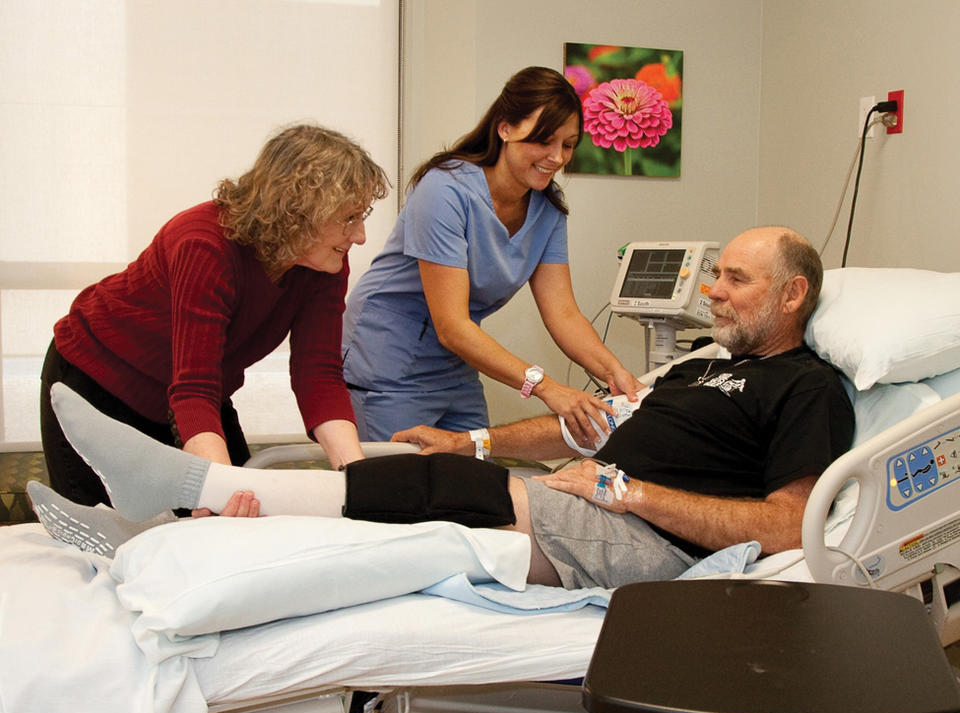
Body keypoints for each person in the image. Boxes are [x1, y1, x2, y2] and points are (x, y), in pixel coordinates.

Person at [30, 226, 855, 591]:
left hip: (645, 542)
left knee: (444, 502)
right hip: (583, 502)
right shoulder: (688, 373)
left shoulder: (807, 388)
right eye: (714, 273)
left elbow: (788, 526)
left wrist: (626, 493)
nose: (711, 289)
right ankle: (157, 535)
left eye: (734, 279)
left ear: (792, 294)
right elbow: (587, 424)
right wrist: (475, 440)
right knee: (432, 474)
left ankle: (176, 512)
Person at [40, 124, 390, 508]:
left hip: (196, 394)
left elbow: (318, 375)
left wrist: (360, 484)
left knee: (247, 513)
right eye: (348, 218)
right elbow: (193, 387)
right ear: (298, 213)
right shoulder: (203, 243)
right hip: (99, 382)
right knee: (117, 543)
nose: (360, 236)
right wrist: (218, 495)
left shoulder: (323, 262)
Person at [340, 66, 638, 445]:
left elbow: (563, 313)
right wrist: (548, 388)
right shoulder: (445, 190)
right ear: (505, 128)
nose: (557, 157)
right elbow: (451, 326)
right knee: (399, 488)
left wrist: (616, 373)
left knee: (476, 477)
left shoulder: (547, 208)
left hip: (455, 364)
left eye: (568, 144)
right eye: (544, 141)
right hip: (387, 364)